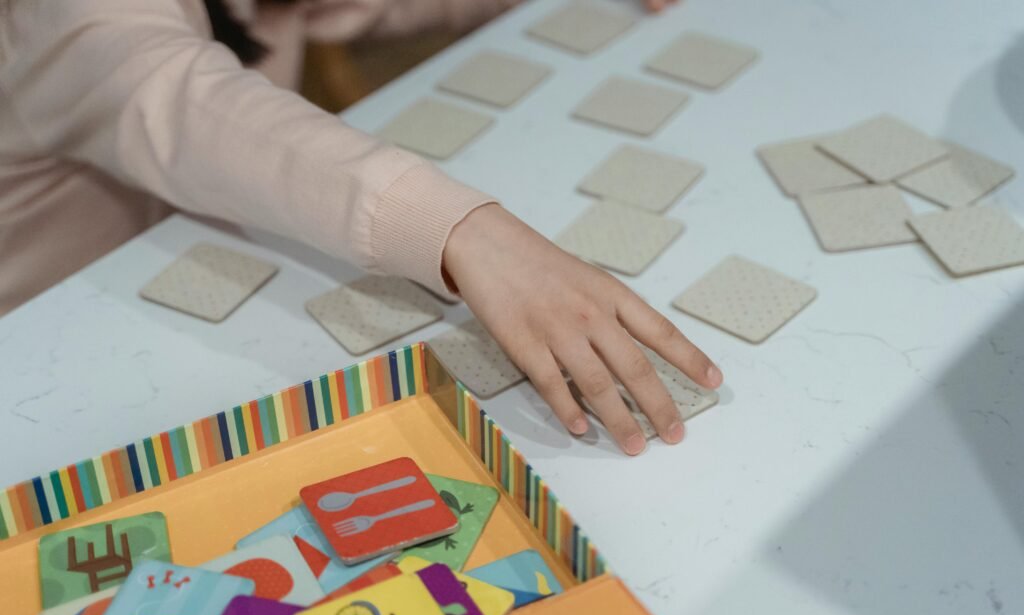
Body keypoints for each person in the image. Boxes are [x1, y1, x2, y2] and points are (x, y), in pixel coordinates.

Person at [0, 0, 720, 456]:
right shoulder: (67, 16)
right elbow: (187, 105)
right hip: (45, 345)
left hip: (219, 269)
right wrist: (467, 232)